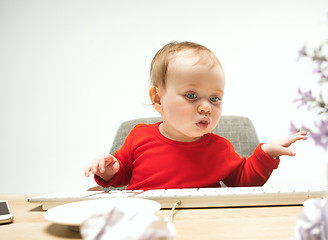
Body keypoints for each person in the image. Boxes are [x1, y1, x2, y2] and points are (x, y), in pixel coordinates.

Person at [84, 41, 307, 190]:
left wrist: (266, 153)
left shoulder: (220, 148)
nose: (206, 108)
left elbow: (244, 181)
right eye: (191, 95)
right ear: (158, 99)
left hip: (201, 223)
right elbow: (120, 176)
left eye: (214, 98)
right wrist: (109, 171)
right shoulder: (138, 136)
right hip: (147, 221)